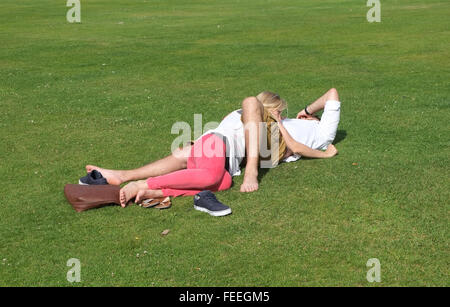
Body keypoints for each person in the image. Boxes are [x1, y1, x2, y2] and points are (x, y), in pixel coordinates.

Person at [85, 89, 340, 207]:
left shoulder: (262, 126)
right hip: (215, 147)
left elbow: (288, 147)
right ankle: (143, 185)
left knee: (222, 180)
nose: (282, 118)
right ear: (271, 110)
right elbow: (291, 143)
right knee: (210, 174)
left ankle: (132, 179)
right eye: (279, 112)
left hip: (212, 154)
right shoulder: (256, 112)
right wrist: (324, 152)